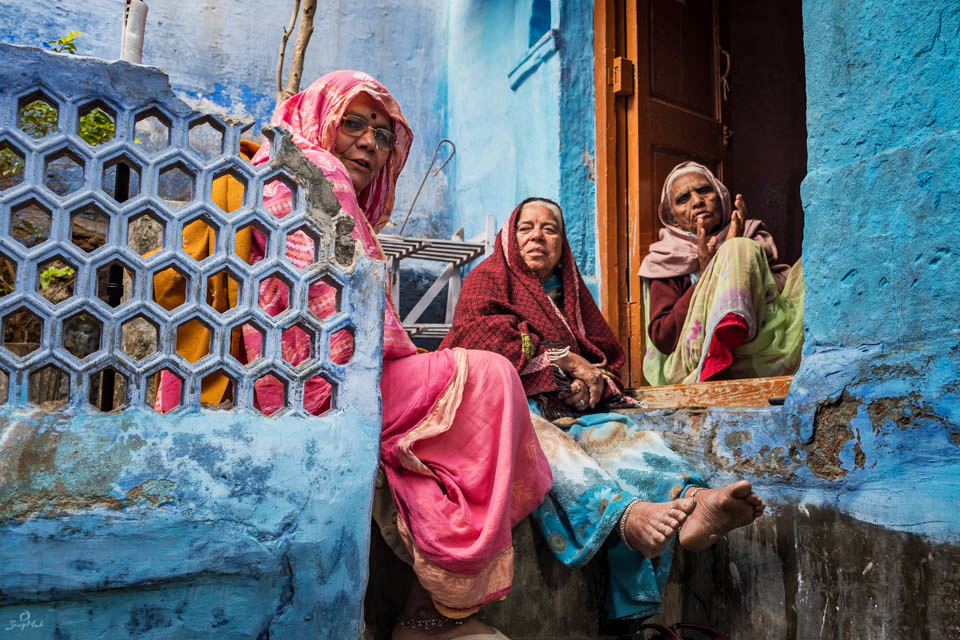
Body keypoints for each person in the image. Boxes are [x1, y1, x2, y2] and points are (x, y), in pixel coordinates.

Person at [155, 71, 552, 640]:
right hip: (319, 388)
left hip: (304, 378)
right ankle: (432, 614)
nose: (370, 141)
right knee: (490, 379)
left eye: (384, 134)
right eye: (355, 122)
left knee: (497, 403)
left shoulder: (283, 171)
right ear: (322, 118)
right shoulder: (314, 172)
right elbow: (340, 333)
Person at [441, 197, 766, 620]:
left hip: (570, 412)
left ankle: (695, 501)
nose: (538, 236)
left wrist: (589, 386)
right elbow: (477, 342)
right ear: (509, 237)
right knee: (549, 446)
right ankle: (629, 518)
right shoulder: (488, 280)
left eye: (550, 229)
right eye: (526, 228)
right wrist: (562, 360)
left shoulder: (573, 298)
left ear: (563, 244)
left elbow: (605, 360)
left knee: (627, 438)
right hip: (511, 408)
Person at [638, 161, 804, 385]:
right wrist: (709, 272)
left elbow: (780, 298)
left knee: (810, 265)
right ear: (673, 218)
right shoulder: (665, 259)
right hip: (696, 363)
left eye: (704, 190)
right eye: (683, 199)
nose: (697, 201)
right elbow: (664, 338)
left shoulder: (753, 237)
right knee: (736, 248)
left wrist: (736, 262)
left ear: (722, 198)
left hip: (763, 350)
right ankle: (717, 353)